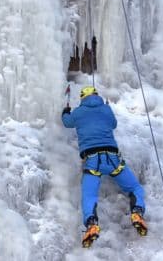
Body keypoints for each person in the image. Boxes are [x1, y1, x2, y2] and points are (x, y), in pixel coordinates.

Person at [62, 86, 147, 248]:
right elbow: (113, 124)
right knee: (135, 187)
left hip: (93, 160)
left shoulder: (79, 112)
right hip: (113, 158)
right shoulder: (106, 109)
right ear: (96, 96)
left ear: (82, 98)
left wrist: (66, 111)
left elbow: (67, 123)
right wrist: (106, 108)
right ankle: (137, 212)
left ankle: (92, 224)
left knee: (89, 196)